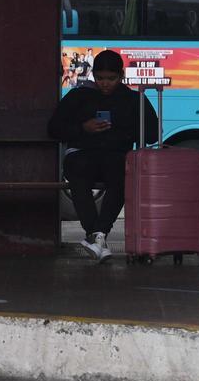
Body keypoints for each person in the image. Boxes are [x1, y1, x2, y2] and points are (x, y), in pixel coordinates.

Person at [48, 49, 158, 263]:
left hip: (115, 156)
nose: (105, 84)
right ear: (93, 75)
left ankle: (96, 236)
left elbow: (152, 133)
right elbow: (54, 128)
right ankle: (98, 235)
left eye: (111, 79)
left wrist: (120, 130)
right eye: (100, 78)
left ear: (121, 76)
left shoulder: (133, 100)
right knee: (79, 172)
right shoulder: (79, 96)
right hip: (82, 154)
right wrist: (83, 128)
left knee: (121, 174)